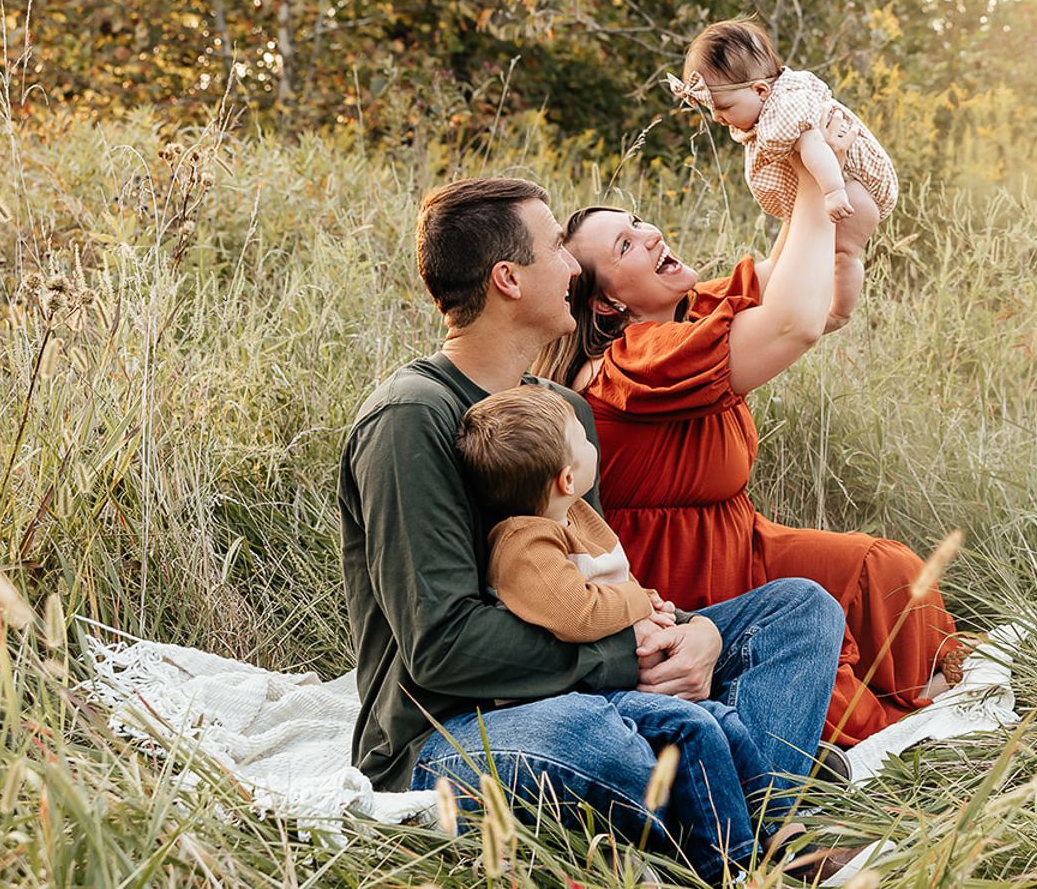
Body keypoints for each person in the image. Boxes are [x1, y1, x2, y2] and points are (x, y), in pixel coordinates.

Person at [338, 176, 847, 877]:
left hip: (580, 681)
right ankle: (760, 817)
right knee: (591, 734)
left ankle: (735, 801)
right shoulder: (411, 418)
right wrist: (618, 661)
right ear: (509, 279)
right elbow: (442, 647)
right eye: (557, 249)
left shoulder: (563, 414)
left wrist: (683, 631)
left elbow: (599, 569)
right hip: (444, 734)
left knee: (798, 612)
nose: (575, 267)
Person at [535, 149, 961, 749]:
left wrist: (795, 142)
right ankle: (895, 727)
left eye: (636, 222)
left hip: (741, 540)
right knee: (826, 673)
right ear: (608, 304)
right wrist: (818, 186)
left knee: (883, 568)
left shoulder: (687, 317)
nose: (650, 234)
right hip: (680, 573)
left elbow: (803, 284)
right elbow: (795, 323)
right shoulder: (636, 364)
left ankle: (923, 692)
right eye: (625, 247)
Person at [457, 383, 786, 880]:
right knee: (692, 727)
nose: (593, 444)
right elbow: (577, 612)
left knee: (726, 724)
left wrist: (657, 611)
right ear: (568, 477)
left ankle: (785, 838)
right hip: (575, 694)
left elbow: (615, 584)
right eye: (581, 440)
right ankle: (731, 867)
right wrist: (640, 602)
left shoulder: (576, 515)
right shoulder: (524, 544)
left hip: (620, 679)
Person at [665, 16, 896, 331]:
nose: (718, 117)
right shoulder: (766, 112)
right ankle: (770, 293)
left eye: (725, 107)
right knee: (788, 252)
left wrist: (833, 192)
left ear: (760, 90)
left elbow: (816, 146)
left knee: (844, 254)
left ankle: (840, 312)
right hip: (834, 184)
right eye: (713, 110)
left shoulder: (786, 110)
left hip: (855, 186)